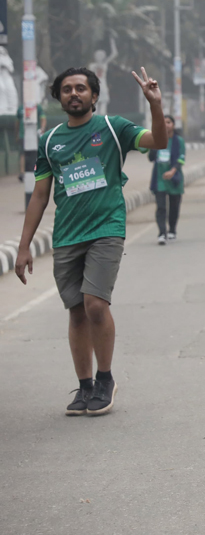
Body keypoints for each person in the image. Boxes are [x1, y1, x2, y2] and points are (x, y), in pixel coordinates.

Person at [15, 66, 168, 417]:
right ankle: (84, 386)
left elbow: (158, 141)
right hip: (67, 235)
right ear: (59, 98)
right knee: (76, 312)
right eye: (67, 89)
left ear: (94, 96)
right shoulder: (50, 140)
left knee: (95, 305)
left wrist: (155, 105)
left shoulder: (114, 128)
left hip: (106, 229)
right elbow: (40, 196)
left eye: (81, 88)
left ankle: (105, 378)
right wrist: (24, 246)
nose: (74, 94)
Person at [150, 115, 185, 244]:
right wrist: (153, 142)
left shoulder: (178, 141)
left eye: (169, 122)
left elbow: (181, 158)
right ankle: (162, 233)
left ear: (173, 125)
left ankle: (172, 230)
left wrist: (172, 171)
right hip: (159, 179)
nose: (166, 125)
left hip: (174, 179)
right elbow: (151, 157)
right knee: (161, 207)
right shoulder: (156, 140)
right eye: (163, 123)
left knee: (174, 206)